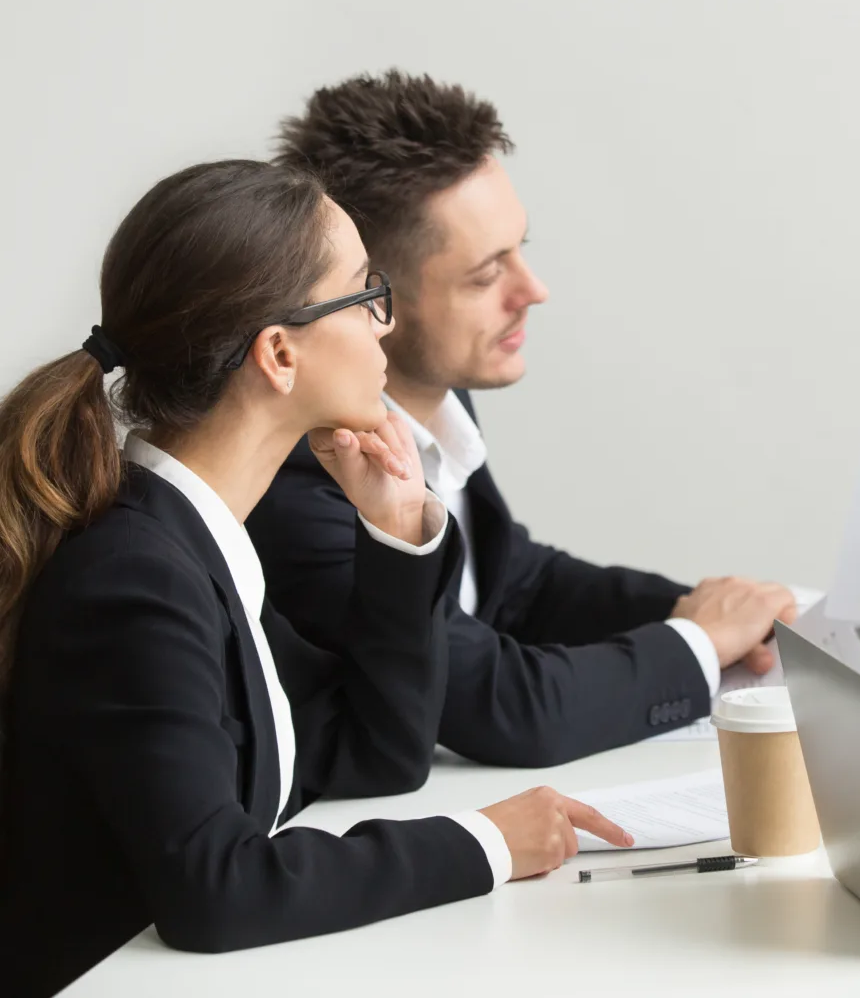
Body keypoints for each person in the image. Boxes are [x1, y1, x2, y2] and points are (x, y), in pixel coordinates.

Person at [0, 160, 630, 998]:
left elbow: (377, 749)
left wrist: (397, 535)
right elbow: (216, 889)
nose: (383, 324)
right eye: (367, 291)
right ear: (280, 354)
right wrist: (484, 842)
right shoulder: (134, 582)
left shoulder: (195, 546)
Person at [250, 71, 795, 767]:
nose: (532, 291)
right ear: (368, 298)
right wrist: (697, 641)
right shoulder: (300, 475)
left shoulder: (435, 397)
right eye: (485, 275)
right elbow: (503, 705)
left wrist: (718, 609)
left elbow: (513, 584)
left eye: (521, 251)